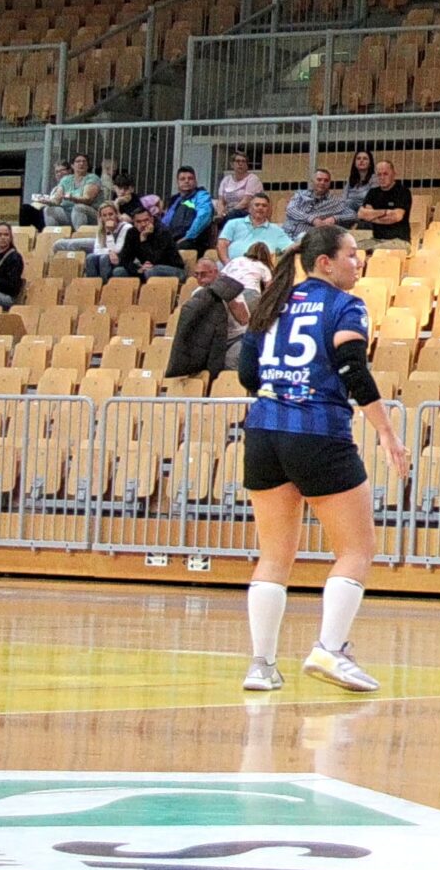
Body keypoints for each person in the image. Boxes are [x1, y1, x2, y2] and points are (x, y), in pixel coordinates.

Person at [235, 223, 408, 694]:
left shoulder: (271, 304)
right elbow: (354, 370)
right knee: (356, 550)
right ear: (325, 263)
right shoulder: (344, 305)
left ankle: (261, 665)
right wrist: (387, 433)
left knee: (274, 555)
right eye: (351, 254)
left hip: (263, 433)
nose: (359, 261)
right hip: (318, 432)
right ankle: (330, 649)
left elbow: (248, 374)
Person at [167, 254, 251, 380]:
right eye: (196, 275)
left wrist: (227, 296)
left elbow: (244, 320)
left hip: (235, 338)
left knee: (230, 362)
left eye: (203, 274)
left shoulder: (230, 289)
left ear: (215, 272)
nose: (200, 279)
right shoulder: (197, 294)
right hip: (212, 341)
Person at [218, 193, 295, 263]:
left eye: (264, 206)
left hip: (260, 270)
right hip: (232, 268)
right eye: (257, 205)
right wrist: (227, 263)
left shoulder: (276, 230)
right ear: (249, 208)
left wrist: (301, 241)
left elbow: (290, 247)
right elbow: (222, 244)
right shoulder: (233, 223)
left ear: (268, 210)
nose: (260, 208)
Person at [34, 152, 103, 230]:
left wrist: (72, 198)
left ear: (87, 165)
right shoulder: (66, 179)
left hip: (90, 214)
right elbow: (57, 200)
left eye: (84, 161)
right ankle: (54, 235)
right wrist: (46, 201)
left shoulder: (92, 178)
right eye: (78, 161)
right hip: (69, 213)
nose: (81, 163)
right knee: (49, 210)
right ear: (72, 165)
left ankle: (80, 235)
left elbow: (87, 199)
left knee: (78, 208)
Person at [284, 168, 359, 237]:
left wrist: (334, 218)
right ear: (312, 181)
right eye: (319, 180)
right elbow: (290, 209)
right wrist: (312, 219)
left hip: (305, 238)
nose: (322, 183)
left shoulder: (335, 201)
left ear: (329, 183)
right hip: (286, 232)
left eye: (326, 180)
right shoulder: (300, 194)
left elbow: (353, 215)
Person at [158, 166, 215, 252]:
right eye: (182, 179)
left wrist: (188, 236)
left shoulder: (202, 196)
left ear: (195, 181)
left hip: (193, 240)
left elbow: (203, 217)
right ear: (177, 182)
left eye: (190, 178)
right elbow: (165, 221)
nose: (186, 181)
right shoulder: (175, 200)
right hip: (173, 239)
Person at [356, 158, 412, 245]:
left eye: (385, 174)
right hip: (376, 240)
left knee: (378, 249)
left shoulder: (403, 192)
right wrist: (385, 212)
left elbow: (396, 217)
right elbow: (362, 214)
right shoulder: (373, 192)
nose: (382, 178)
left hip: (399, 241)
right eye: (379, 174)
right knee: (356, 247)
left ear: (393, 174)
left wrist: (373, 216)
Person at [213, 151, 265, 230]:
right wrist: (220, 214)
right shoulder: (226, 180)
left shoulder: (252, 179)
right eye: (237, 161)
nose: (240, 164)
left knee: (233, 215)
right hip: (228, 212)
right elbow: (221, 201)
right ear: (232, 164)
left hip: (245, 212)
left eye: (243, 161)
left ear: (247, 165)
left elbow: (246, 202)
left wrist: (228, 213)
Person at [79, 203, 133, 278]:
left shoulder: (126, 227)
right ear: (101, 218)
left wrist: (109, 233)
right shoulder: (101, 229)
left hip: (121, 259)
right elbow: (96, 250)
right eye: (104, 215)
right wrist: (109, 251)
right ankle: (92, 283)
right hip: (109, 257)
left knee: (104, 258)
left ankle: (105, 283)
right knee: (90, 257)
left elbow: (118, 249)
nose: (108, 218)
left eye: (111, 214)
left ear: (116, 214)